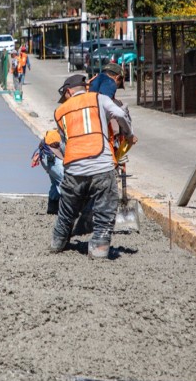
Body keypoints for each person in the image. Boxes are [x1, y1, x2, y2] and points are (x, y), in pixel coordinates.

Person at [50, 74, 137, 258]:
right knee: (105, 208)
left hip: (74, 168)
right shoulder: (99, 98)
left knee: (67, 208)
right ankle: (100, 247)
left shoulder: (60, 112)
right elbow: (120, 114)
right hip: (101, 164)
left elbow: (64, 142)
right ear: (84, 88)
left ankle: (58, 241)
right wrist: (128, 134)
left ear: (68, 92)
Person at [31, 128, 64, 214]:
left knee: (56, 182)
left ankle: (52, 208)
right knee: (65, 182)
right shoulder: (63, 136)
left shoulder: (58, 133)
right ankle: (67, 210)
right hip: (51, 158)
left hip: (46, 156)